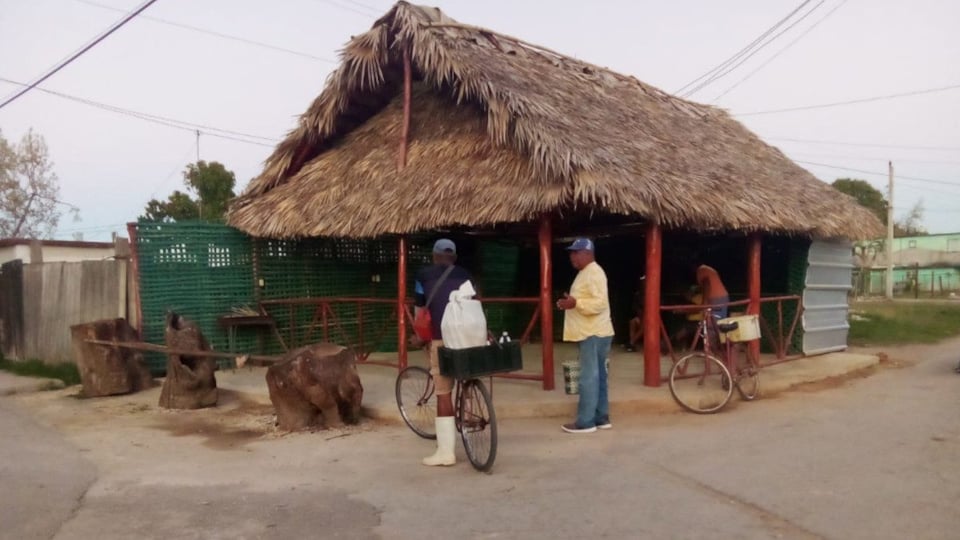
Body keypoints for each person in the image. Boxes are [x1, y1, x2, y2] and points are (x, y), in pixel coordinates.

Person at [414, 238, 472, 466]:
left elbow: (420, 309)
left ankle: (446, 453)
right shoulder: (465, 275)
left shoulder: (423, 276)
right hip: (468, 338)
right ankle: (470, 405)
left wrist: (419, 336)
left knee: (443, 392)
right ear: (454, 257)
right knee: (467, 375)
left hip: (441, 338)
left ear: (434, 255)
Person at [556, 238, 615, 434]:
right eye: (571, 253)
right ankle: (601, 417)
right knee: (599, 377)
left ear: (588, 253)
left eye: (576, 252)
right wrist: (569, 303)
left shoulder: (594, 273)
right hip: (596, 332)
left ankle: (586, 422)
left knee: (589, 378)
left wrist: (576, 304)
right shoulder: (587, 272)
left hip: (592, 333)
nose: (572, 256)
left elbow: (600, 303)